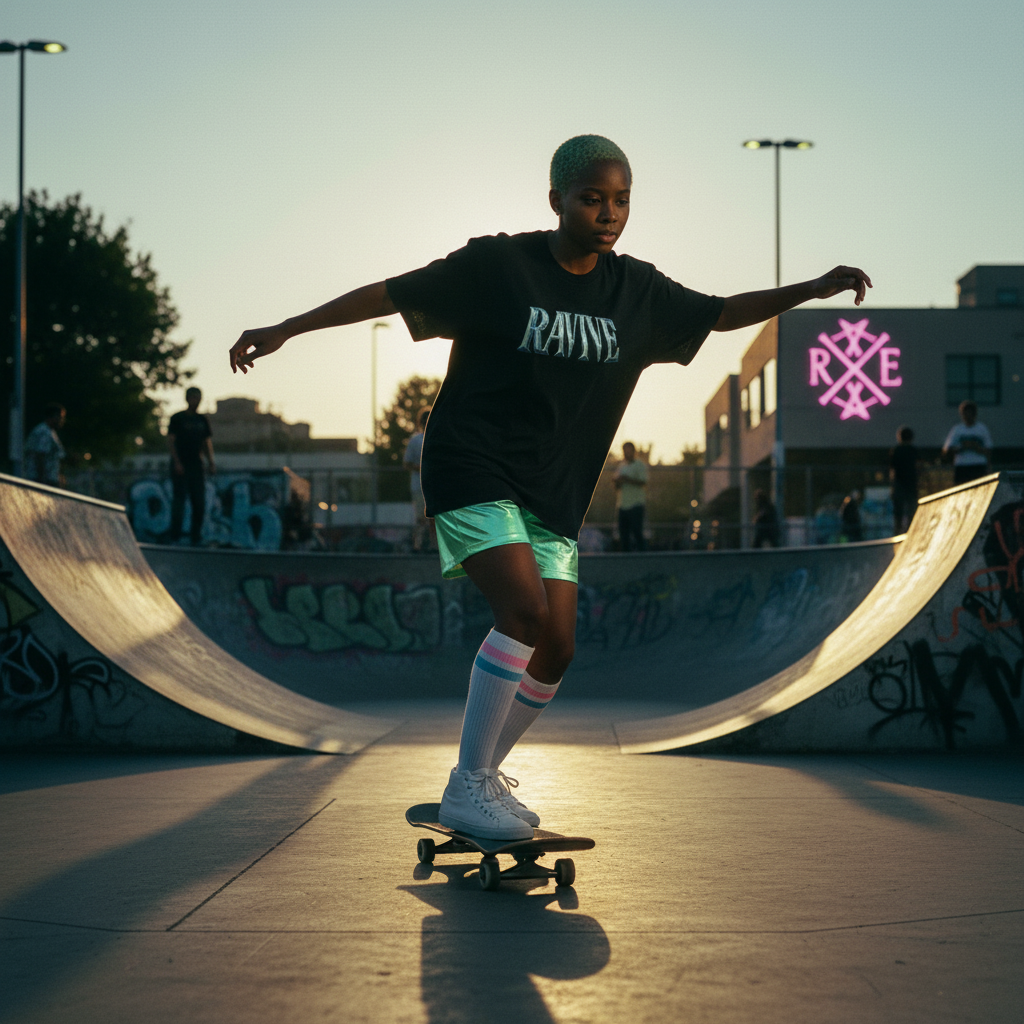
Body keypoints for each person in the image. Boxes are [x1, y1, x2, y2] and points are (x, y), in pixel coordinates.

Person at [229, 134, 871, 839]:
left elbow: (719, 312)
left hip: (552, 490)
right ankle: (469, 784)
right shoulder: (499, 266)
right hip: (470, 465)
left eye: (621, 200)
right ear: (556, 200)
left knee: (557, 645)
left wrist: (809, 290)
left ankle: (480, 779)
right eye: (592, 198)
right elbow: (393, 292)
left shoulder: (638, 292)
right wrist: (288, 327)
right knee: (525, 613)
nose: (608, 213)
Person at [167, 386, 215, 546]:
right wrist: (177, 462)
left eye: (198, 398)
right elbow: (171, 441)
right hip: (181, 464)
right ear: (187, 399)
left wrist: (211, 462)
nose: (196, 401)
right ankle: (175, 536)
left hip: (197, 465)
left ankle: (196, 536)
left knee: (199, 502)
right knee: (179, 501)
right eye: (193, 398)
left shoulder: (202, 420)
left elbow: (206, 442)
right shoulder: (177, 418)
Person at [942, 400, 992, 485]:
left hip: (978, 466)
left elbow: (989, 450)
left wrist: (975, 447)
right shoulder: (957, 429)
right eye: (965, 413)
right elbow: (947, 450)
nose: (967, 416)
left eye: (970, 413)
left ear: (974, 414)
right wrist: (962, 447)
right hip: (962, 466)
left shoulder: (982, 429)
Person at [404, 406, 432, 551]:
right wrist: (423, 467)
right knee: (421, 517)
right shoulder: (416, 440)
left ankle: (434, 546)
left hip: (435, 485)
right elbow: (407, 463)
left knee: (435, 517)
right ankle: (418, 545)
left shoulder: (437, 437)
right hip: (419, 485)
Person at [614, 441, 648, 551]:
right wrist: (617, 481)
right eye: (625, 450)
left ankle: (642, 558)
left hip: (636, 504)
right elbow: (617, 486)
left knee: (637, 532)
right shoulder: (622, 465)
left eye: (629, 450)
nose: (626, 453)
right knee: (624, 535)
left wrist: (627, 479)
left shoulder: (639, 465)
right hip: (623, 505)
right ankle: (625, 560)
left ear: (633, 451)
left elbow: (643, 482)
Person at [24, 403, 66, 486]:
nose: (62, 421)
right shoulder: (43, 432)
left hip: (48, 479)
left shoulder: (50, 432)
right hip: (42, 480)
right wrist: (42, 480)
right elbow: (40, 455)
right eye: (60, 418)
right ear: (53, 417)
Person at [889, 426, 918, 534]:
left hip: (899, 484)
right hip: (911, 484)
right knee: (911, 511)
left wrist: (892, 485)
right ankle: (911, 531)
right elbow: (919, 467)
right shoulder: (913, 450)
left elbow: (892, 469)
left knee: (898, 513)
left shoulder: (896, 450)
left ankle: (897, 532)